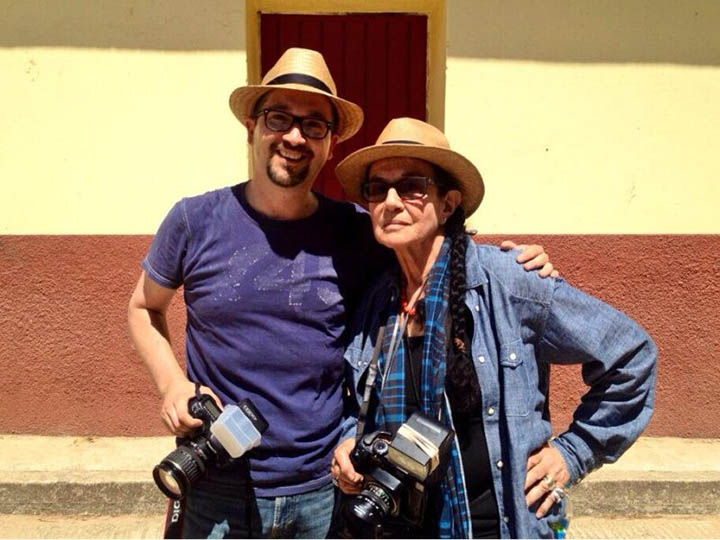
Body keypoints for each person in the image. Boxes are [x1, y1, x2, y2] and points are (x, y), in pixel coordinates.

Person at [128, 48, 556, 539]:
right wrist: (171, 385)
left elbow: (433, 246)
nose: (294, 136)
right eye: (279, 118)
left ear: (330, 143)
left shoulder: (356, 232)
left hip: (322, 489)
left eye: (314, 126)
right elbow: (144, 306)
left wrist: (516, 261)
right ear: (252, 127)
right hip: (217, 482)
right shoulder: (193, 220)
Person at [331, 117, 658, 539]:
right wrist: (346, 443)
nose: (391, 201)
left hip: (493, 527)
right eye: (378, 189)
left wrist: (573, 453)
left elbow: (631, 353)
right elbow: (354, 403)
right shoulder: (377, 302)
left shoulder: (508, 282)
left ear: (448, 204)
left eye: (412, 186)